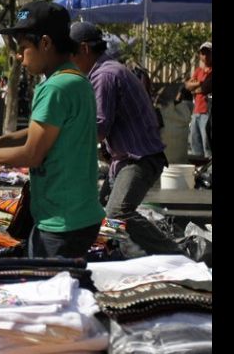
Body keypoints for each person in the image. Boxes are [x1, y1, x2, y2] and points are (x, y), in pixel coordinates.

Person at [0, 1, 105, 259]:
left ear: (45, 43)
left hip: (61, 223)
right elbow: (44, 131)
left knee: (49, 293)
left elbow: (32, 154)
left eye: (24, 48)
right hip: (78, 215)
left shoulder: (55, 87)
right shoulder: (76, 79)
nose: (20, 57)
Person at [69, 21, 182, 255]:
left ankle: (174, 255)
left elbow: (98, 127)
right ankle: (113, 251)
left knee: (117, 214)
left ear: (84, 49)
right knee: (99, 213)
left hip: (139, 159)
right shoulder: (108, 70)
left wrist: (59, 145)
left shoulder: (104, 75)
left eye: (70, 53)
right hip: (127, 158)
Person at [185, 42, 212, 159]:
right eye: (203, 53)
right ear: (200, 55)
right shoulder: (198, 71)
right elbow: (187, 86)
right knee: (195, 144)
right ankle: (198, 171)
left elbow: (206, 87)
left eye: (208, 53)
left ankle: (209, 172)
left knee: (207, 144)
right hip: (196, 111)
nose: (205, 56)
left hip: (207, 112)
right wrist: (200, 84)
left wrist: (197, 87)